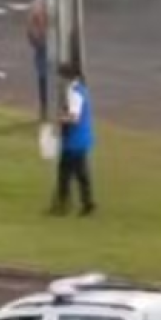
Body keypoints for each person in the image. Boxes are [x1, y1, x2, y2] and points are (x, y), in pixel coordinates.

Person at [50, 63, 95, 217]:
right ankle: (86, 204)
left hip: (74, 140)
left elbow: (74, 118)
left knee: (67, 174)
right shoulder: (81, 90)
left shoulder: (74, 93)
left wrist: (59, 119)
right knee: (79, 174)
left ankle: (64, 206)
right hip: (81, 138)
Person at [27, 0, 49, 122]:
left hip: (39, 43)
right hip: (45, 43)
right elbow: (40, 23)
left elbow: (30, 26)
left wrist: (34, 41)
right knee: (47, 78)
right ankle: (47, 112)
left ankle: (44, 111)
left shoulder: (35, 2)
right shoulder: (42, 3)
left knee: (43, 77)